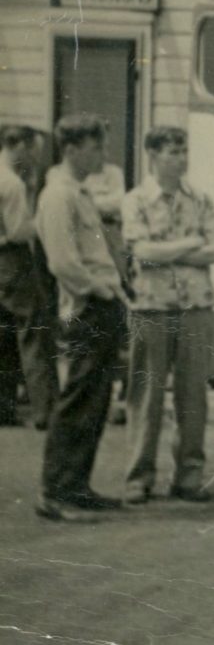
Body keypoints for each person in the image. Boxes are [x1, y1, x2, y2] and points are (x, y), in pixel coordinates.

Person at [120, 127, 214, 503]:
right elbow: (141, 252)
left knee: (193, 394)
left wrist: (168, 250)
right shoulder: (136, 200)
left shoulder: (200, 198)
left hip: (195, 306)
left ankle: (189, 475)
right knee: (146, 394)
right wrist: (191, 243)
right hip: (152, 306)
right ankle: (139, 476)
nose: (182, 159)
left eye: (184, 151)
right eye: (173, 152)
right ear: (153, 155)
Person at [32, 114, 127, 521]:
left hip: (102, 302)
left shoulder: (79, 191)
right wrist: (100, 289)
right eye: (96, 148)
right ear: (71, 149)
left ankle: (77, 485)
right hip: (88, 305)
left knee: (96, 399)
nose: (103, 156)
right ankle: (56, 492)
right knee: (79, 399)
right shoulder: (58, 196)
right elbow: (62, 261)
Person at [0, 125, 58, 430]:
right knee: (33, 329)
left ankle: (4, 407)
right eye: (33, 149)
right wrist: (44, 220)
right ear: (18, 145)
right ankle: (45, 410)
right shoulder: (12, 184)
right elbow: (19, 230)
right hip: (12, 260)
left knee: (4, 334)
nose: (36, 157)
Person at [83, 154, 130, 426]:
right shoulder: (77, 178)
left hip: (113, 238)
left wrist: (93, 203)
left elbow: (119, 201)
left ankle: (121, 394)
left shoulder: (113, 171)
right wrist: (101, 205)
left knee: (120, 317)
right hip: (92, 244)